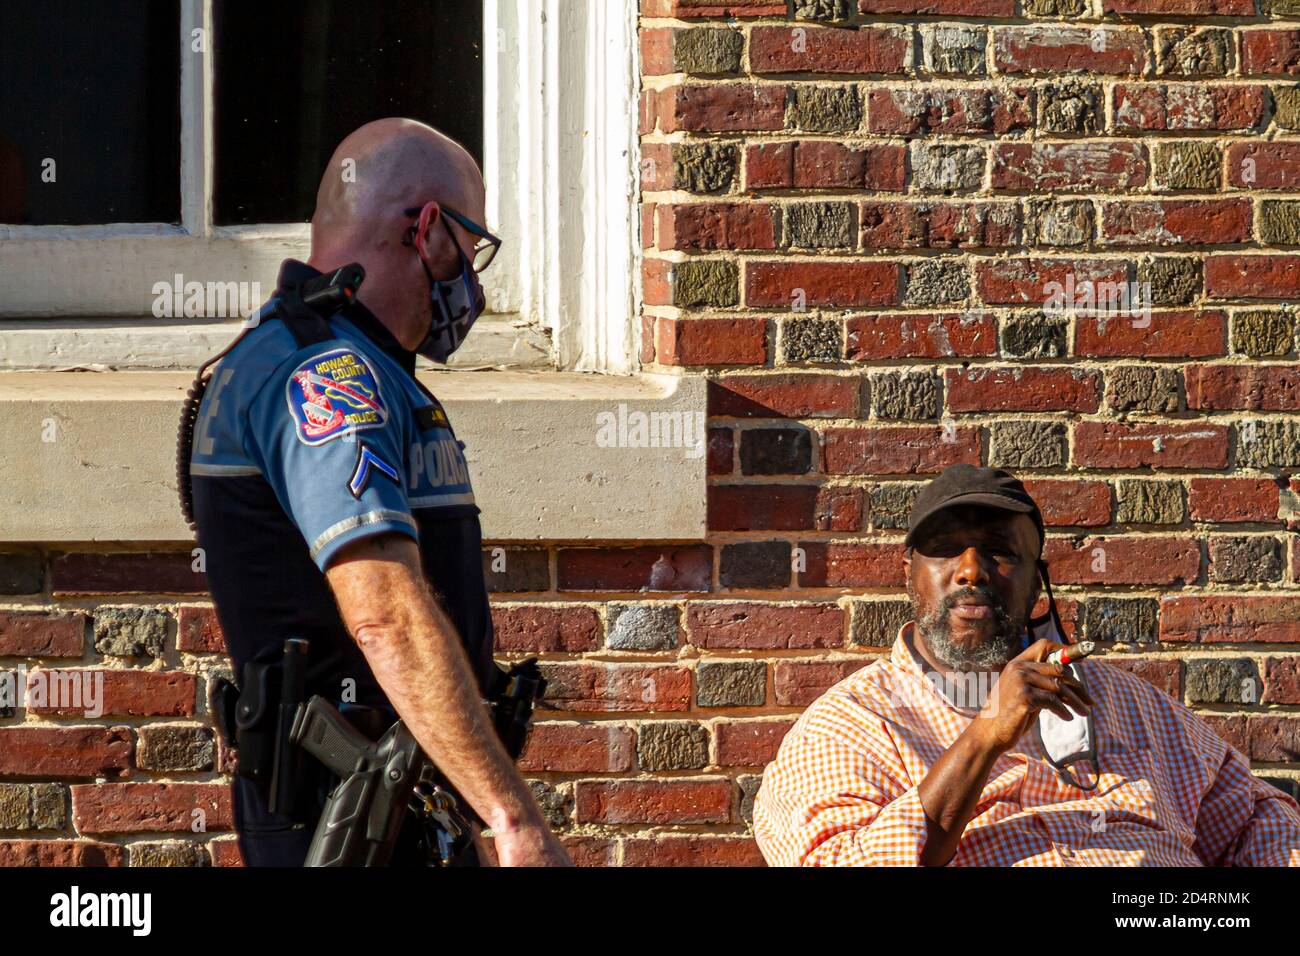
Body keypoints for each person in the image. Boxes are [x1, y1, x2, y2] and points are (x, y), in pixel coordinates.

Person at [185, 118, 569, 867]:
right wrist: (512, 819)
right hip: (345, 824)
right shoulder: (325, 376)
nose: (474, 283)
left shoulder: (361, 365)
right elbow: (384, 614)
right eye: (470, 246)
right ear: (428, 229)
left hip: (399, 816)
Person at [754, 464, 1300, 866]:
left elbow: (1259, 818)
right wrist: (987, 734)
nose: (972, 571)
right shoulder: (853, 723)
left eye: (1000, 552)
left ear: (1036, 583)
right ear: (908, 575)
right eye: (947, 550)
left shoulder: (1129, 703)